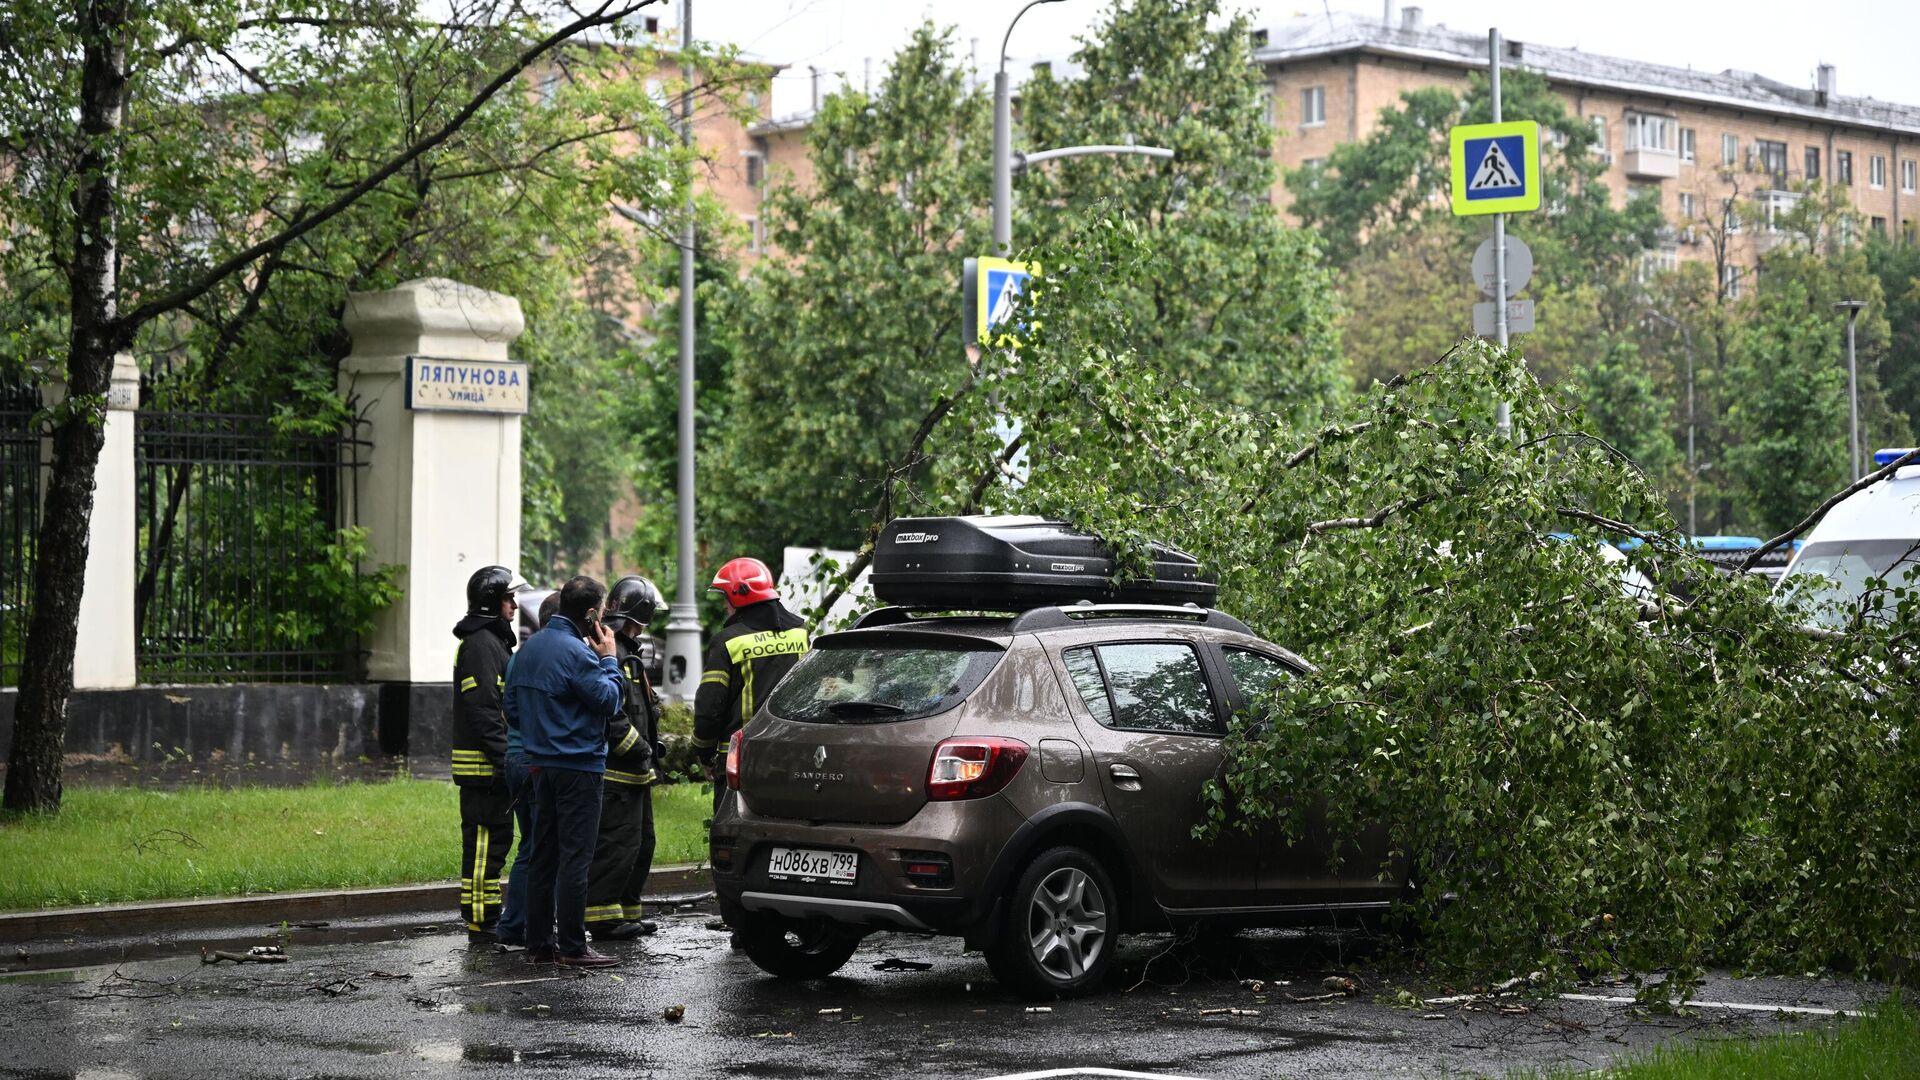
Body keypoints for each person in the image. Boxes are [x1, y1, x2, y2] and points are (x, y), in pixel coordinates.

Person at [503, 576, 626, 968]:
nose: (605, 617)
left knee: (543, 855)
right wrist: (609, 658)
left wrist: (545, 730)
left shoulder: (528, 649)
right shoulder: (578, 653)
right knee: (575, 858)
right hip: (579, 766)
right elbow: (608, 701)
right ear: (592, 614)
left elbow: (512, 711)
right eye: (603, 611)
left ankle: (539, 944)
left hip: (540, 765)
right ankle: (573, 947)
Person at [584, 576, 667, 941]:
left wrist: (652, 748)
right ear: (641, 614)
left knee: (640, 843)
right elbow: (611, 715)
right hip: (617, 773)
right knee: (616, 844)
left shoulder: (626, 651)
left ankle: (627, 912)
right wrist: (640, 747)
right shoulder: (613, 654)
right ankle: (602, 917)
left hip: (636, 772)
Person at [692, 557, 810, 809]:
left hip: (742, 757)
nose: (724, 605)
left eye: (725, 597)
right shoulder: (801, 634)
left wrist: (702, 751)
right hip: (793, 752)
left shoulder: (727, 642)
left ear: (740, 595)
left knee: (735, 830)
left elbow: (709, 707)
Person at [451, 565, 524, 942]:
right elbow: (482, 709)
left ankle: (488, 915)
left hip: (492, 767)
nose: (514, 604)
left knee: (495, 843)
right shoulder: (480, 645)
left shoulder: (492, 642)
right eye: (508, 598)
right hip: (483, 769)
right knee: (483, 845)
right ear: (492, 603)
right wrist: (505, 758)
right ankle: (481, 920)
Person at [495, 590, 562, 949]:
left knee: (531, 844)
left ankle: (518, 923)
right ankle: (521, 924)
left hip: (516, 757)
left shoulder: (520, 656)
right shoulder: (559, 654)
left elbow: (509, 709)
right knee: (540, 847)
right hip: (537, 760)